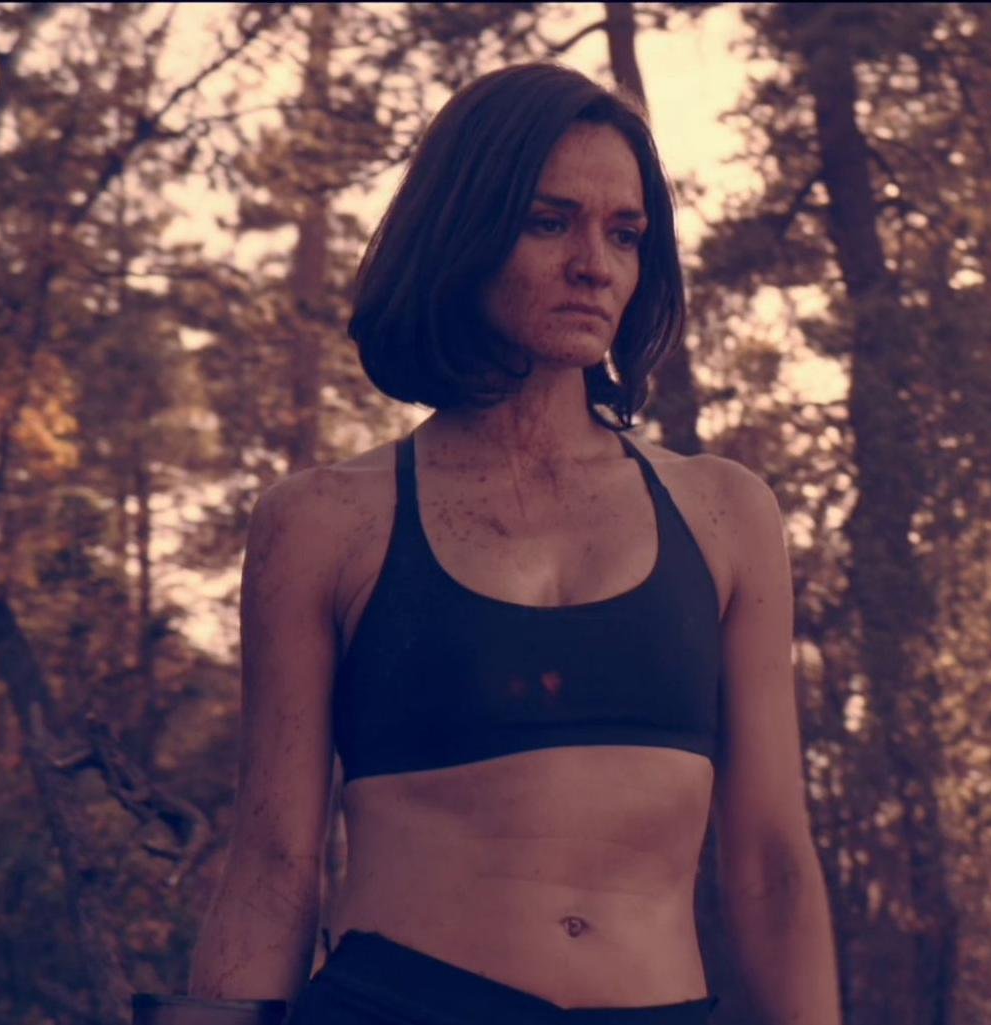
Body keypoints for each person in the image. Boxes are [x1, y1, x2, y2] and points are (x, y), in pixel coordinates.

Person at [133, 61, 840, 1025]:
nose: (594, 263)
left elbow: (771, 864)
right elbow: (273, 862)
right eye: (549, 222)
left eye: (624, 233)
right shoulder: (325, 521)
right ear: (464, 232)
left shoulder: (727, 513)